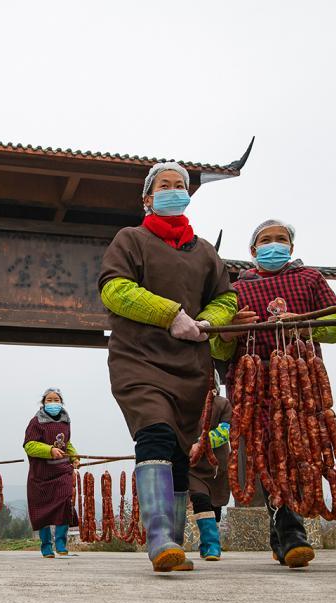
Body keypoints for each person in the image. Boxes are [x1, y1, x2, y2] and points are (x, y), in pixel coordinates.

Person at [98, 161, 238, 572]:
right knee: (155, 432)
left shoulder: (206, 252)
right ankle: (158, 536)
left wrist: (211, 321)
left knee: (180, 452)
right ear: (147, 198)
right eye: (165, 185)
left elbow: (226, 299)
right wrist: (170, 314)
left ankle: (173, 545)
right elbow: (115, 289)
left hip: (190, 366)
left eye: (181, 185)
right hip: (139, 359)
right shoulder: (131, 239)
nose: (175, 190)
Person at [209, 219, 336, 568]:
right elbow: (217, 347)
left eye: (282, 239)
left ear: (292, 246)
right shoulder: (234, 289)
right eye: (267, 240)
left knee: (300, 449)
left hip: (301, 380)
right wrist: (227, 333)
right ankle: (290, 531)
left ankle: (283, 530)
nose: (275, 245)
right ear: (253, 251)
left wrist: (306, 321)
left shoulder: (311, 279)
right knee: (270, 454)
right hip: (254, 383)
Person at [23, 388, 78, 558]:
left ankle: (61, 542)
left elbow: (67, 444)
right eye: (49, 400)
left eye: (56, 400)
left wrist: (74, 457)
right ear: (43, 403)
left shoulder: (65, 421)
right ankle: (46, 545)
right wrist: (50, 450)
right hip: (41, 474)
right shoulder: (36, 422)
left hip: (62, 471)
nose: (53, 403)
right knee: (41, 510)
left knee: (64, 504)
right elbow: (29, 445)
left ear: (61, 402)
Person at [187, 372, 231, 561]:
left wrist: (201, 443)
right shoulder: (188, 404)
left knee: (215, 506)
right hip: (194, 467)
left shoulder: (223, 404)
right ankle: (212, 544)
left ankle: (207, 543)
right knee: (200, 500)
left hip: (217, 467)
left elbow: (224, 431)